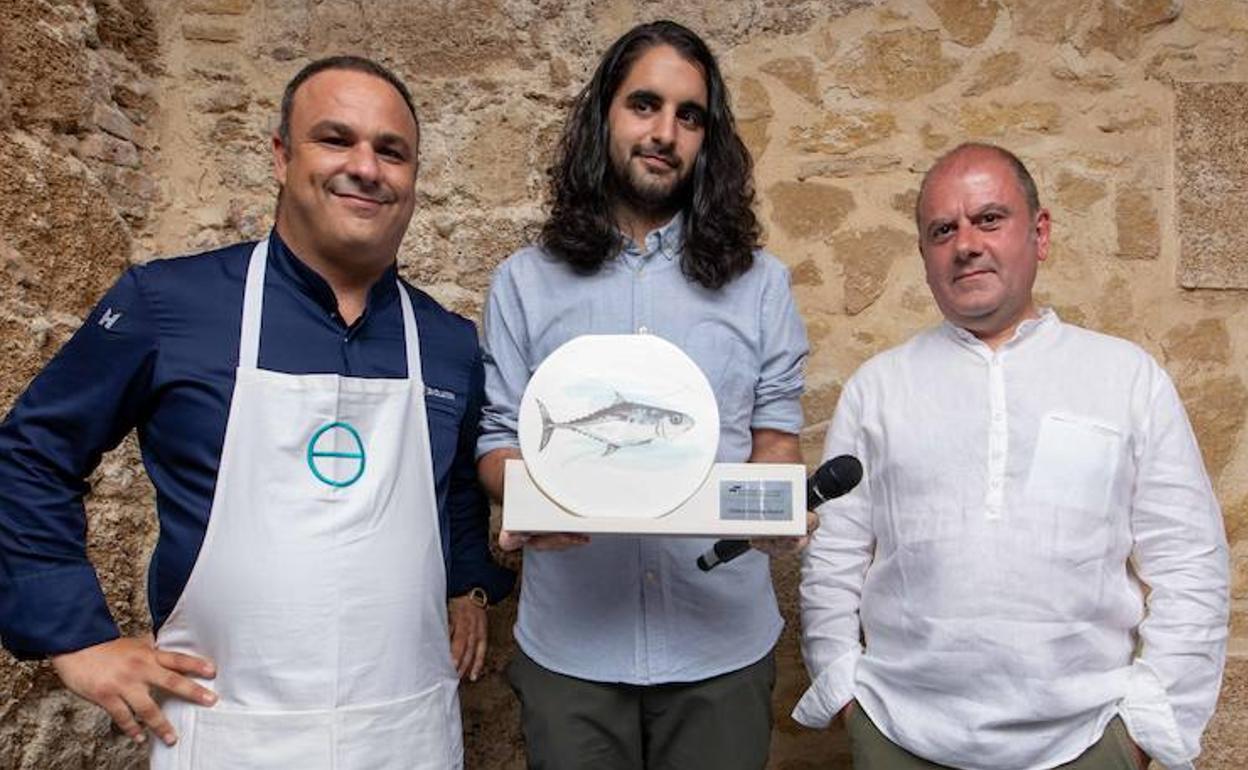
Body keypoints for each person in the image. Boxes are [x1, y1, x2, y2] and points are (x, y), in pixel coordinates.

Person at [0, 55, 512, 769]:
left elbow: (453, 483)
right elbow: (30, 455)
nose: (366, 167)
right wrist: (75, 637)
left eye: (391, 151)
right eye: (336, 139)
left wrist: (468, 583)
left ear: (413, 179)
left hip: (404, 733)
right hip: (224, 730)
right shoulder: (168, 305)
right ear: (280, 156)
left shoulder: (448, 343)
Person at [794, 142, 1230, 770]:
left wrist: (1143, 730)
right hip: (899, 733)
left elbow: (1189, 562)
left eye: (989, 219)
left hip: (1087, 740)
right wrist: (844, 692)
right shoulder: (879, 388)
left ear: (1040, 233)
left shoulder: (1126, 378)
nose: (966, 243)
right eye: (943, 229)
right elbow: (835, 557)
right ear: (924, 256)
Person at [475, 20, 810, 770]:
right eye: (645, 105)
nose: (665, 132)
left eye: (689, 116)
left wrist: (776, 504)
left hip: (720, 643)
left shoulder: (762, 285)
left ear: (707, 138)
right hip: (572, 652)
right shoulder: (524, 283)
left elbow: (775, 436)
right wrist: (531, 500)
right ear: (604, 117)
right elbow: (498, 442)